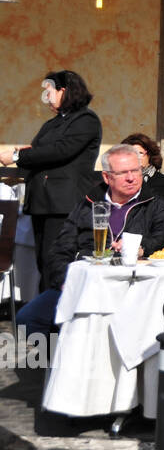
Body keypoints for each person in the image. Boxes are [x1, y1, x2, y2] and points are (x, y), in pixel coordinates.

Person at [16, 144, 164, 337]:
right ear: (107, 177)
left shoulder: (156, 203)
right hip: (84, 285)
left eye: (135, 170)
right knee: (28, 318)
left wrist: (142, 247)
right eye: (123, 172)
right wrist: (64, 282)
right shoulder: (88, 203)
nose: (131, 177)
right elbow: (61, 248)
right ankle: (59, 362)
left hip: (130, 289)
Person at [0, 71, 102, 290]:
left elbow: (60, 150)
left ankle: (55, 319)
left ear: (63, 90)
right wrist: (26, 154)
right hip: (41, 203)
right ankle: (43, 319)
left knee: (56, 263)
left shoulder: (85, 120)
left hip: (62, 205)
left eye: (49, 90)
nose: (46, 96)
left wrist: (18, 156)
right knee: (43, 263)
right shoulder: (52, 124)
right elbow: (38, 150)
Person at [122, 132, 164, 200]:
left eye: (140, 153)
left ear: (150, 155)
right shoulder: (122, 177)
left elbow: (160, 206)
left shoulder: (161, 180)